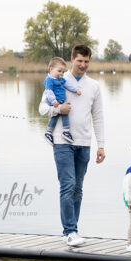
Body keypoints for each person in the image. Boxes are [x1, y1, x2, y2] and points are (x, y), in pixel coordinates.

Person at [38, 44, 106, 247]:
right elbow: (42, 108)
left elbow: (98, 117)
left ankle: (73, 229)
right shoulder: (58, 78)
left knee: (78, 188)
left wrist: (101, 145)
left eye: (86, 61)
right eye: (79, 61)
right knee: (67, 185)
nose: (83, 65)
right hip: (62, 141)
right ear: (72, 59)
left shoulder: (93, 86)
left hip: (84, 143)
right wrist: (58, 111)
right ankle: (69, 231)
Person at [42, 57, 81, 145]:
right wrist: (53, 101)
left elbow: (67, 84)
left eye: (63, 72)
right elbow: (49, 91)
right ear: (51, 69)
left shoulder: (60, 79)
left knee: (56, 116)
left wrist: (76, 90)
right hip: (56, 101)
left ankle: (49, 132)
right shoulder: (49, 80)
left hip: (61, 101)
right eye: (59, 71)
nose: (62, 74)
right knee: (62, 114)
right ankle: (65, 131)